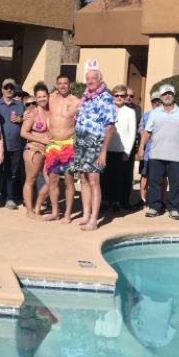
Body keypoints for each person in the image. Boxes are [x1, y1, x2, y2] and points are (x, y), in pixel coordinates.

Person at [137, 84, 179, 220]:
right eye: (164, 94)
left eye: (170, 94)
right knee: (154, 182)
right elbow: (147, 132)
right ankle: (154, 207)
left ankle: (173, 208)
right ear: (161, 97)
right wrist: (141, 147)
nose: (167, 96)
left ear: (173, 96)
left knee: (174, 183)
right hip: (156, 155)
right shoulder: (155, 113)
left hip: (174, 156)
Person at [73, 61, 117, 231]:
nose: (90, 81)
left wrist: (103, 151)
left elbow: (110, 126)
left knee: (94, 180)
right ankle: (86, 214)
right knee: (83, 178)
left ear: (100, 80)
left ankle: (94, 219)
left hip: (95, 142)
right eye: (88, 78)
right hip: (81, 140)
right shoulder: (86, 98)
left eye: (93, 78)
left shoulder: (105, 97)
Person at [44, 74, 81, 223]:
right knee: (52, 179)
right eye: (60, 83)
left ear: (69, 84)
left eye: (65, 83)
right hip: (52, 144)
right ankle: (54, 212)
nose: (63, 86)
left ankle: (67, 214)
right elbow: (36, 105)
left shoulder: (76, 102)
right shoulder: (50, 98)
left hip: (68, 144)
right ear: (56, 85)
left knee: (69, 180)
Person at [101, 85, 136, 212]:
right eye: (117, 95)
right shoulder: (107, 110)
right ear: (113, 96)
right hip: (106, 149)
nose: (120, 98)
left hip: (121, 150)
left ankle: (116, 201)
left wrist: (127, 150)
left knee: (119, 177)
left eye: (122, 95)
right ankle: (105, 200)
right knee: (105, 177)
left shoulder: (130, 112)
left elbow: (132, 133)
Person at [0, 78, 25, 209]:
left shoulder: (20, 105)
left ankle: (8, 198)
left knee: (12, 172)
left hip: (15, 145)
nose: (9, 90)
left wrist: (21, 120)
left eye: (11, 87)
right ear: (2, 90)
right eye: (6, 87)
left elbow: (26, 123)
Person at [20, 84, 51, 219]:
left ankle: (37, 205)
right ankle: (29, 211)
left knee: (51, 182)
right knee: (30, 180)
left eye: (44, 96)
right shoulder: (32, 113)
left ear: (48, 96)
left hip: (48, 151)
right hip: (34, 150)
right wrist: (42, 140)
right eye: (39, 97)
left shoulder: (51, 111)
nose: (42, 99)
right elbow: (23, 133)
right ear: (35, 98)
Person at [136, 92, 164, 207]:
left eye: (159, 101)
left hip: (163, 154)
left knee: (162, 178)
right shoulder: (145, 115)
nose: (157, 103)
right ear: (151, 102)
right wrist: (140, 149)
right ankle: (142, 200)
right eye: (154, 101)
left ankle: (162, 201)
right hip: (148, 153)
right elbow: (141, 132)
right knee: (145, 176)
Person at [123, 87, 142, 208]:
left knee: (127, 176)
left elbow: (140, 130)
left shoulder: (137, 109)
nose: (129, 97)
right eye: (127, 95)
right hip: (114, 147)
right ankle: (109, 201)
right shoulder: (115, 107)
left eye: (131, 96)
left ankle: (125, 201)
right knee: (112, 175)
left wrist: (140, 147)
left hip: (130, 148)